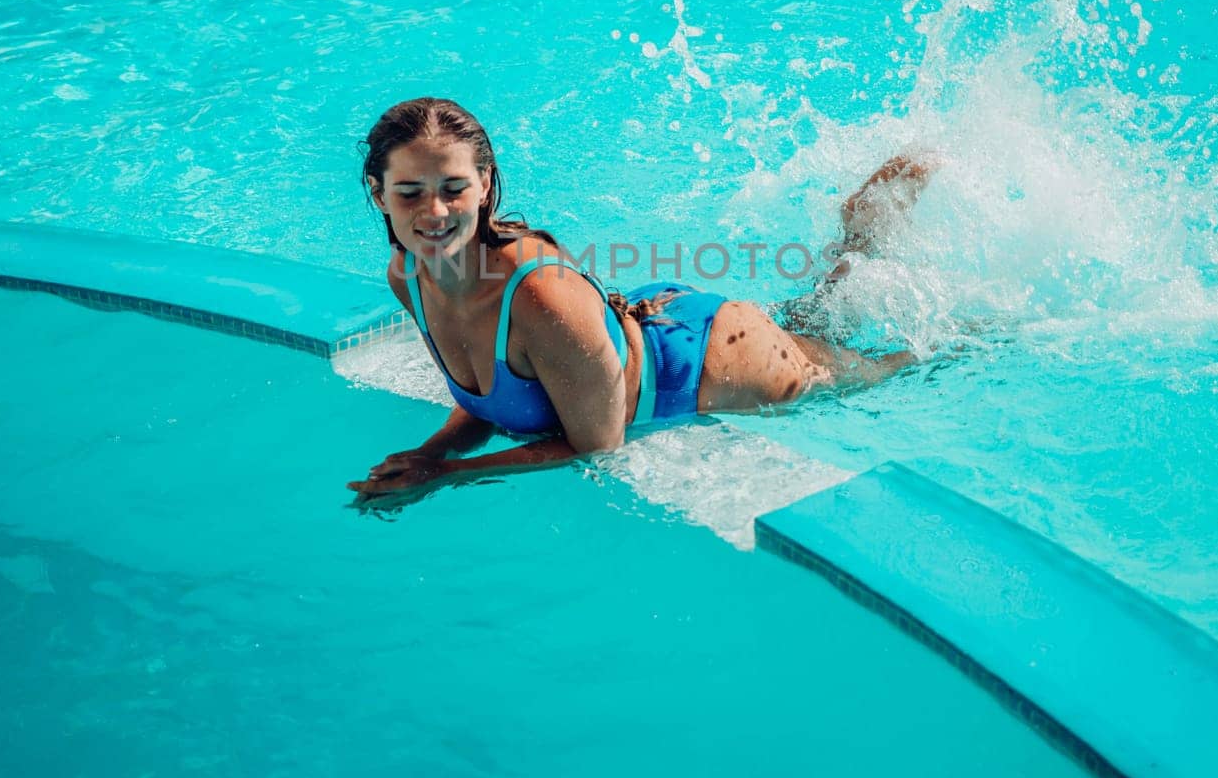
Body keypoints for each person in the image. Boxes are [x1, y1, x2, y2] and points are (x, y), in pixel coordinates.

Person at [347, 97, 931, 501]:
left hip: (714, 365)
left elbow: (598, 444)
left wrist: (449, 474)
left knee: (898, 366)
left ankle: (986, 329)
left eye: (454, 189)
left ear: (485, 186)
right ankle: (858, 241)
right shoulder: (409, 278)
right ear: (378, 195)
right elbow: (490, 398)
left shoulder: (539, 296)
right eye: (409, 192)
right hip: (640, 329)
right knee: (818, 323)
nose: (434, 213)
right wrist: (429, 453)